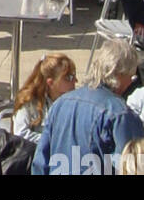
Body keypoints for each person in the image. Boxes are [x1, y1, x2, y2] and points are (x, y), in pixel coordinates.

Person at [33, 39, 143, 175]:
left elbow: (40, 162)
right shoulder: (121, 115)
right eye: (131, 78)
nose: (131, 84)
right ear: (120, 75)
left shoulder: (61, 103)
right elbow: (133, 168)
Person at [13, 55, 77, 143]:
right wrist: (53, 141)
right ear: (51, 83)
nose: (75, 80)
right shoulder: (28, 101)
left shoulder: (74, 102)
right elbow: (20, 134)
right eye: (68, 78)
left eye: (74, 76)